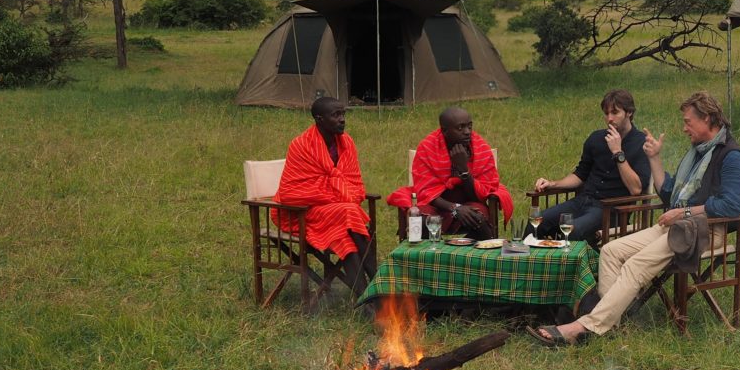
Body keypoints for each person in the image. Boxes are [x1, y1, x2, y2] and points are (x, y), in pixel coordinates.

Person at [528, 91, 740, 346]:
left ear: (708, 119)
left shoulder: (733, 157)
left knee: (635, 265)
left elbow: (731, 206)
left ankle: (583, 326)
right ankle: (611, 321)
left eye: (688, 122)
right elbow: (670, 194)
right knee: (612, 251)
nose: (684, 129)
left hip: (707, 232)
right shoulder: (700, 153)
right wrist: (654, 158)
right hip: (679, 226)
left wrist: (684, 212)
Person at [273, 96, 376, 294]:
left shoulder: (346, 143)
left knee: (344, 237)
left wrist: (340, 195)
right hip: (304, 214)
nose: (342, 119)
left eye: (343, 113)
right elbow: (291, 193)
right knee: (350, 212)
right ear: (319, 119)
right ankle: (380, 285)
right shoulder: (301, 145)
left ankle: (369, 302)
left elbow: (354, 182)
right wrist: (337, 194)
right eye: (336, 115)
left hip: (337, 214)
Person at [532, 89, 650, 243]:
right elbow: (581, 175)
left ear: (629, 112)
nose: (610, 118)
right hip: (582, 201)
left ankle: (578, 266)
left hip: (611, 210)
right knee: (536, 222)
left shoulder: (642, 143)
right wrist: (553, 183)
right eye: (606, 113)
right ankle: (535, 265)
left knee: (572, 231)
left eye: (615, 113)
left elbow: (636, 189)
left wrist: (618, 152)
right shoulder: (596, 139)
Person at [387, 106, 514, 238]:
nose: (467, 132)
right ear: (445, 131)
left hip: (469, 200)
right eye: (460, 128)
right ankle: (431, 255)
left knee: (477, 218)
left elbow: (480, 196)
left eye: (469, 126)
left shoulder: (480, 147)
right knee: (420, 220)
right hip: (436, 204)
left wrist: (463, 169)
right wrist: (455, 208)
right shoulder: (427, 148)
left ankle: (467, 255)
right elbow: (426, 191)